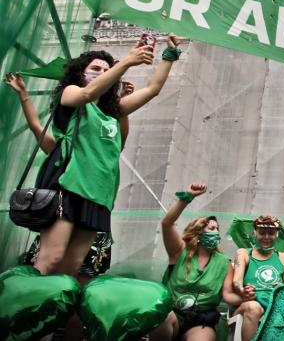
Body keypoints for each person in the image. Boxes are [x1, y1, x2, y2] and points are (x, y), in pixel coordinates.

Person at [34, 35, 179, 278]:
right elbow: (87, 94)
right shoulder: (72, 93)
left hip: (99, 194)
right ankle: (29, 312)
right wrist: (126, 63)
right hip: (68, 185)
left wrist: (169, 56)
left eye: (105, 70)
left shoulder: (112, 113)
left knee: (72, 267)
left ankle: (55, 312)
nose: (101, 72)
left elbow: (153, 89)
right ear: (80, 73)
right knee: (51, 258)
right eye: (95, 69)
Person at [6, 72, 116, 287]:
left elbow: (117, 134)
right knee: (52, 258)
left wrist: (117, 104)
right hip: (66, 200)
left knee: (76, 269)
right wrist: (24, 96)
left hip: (92, 206)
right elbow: (37, 127)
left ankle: (58, 309)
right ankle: (33, 305)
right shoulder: (64, 147)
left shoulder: (101, 141)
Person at [150, 183, 234, 341]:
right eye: (211, 228)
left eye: (217, 229)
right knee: (162, 317)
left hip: (201, 320)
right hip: (172, 314)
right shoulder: (178, 252)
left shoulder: (224, 263)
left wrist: (247, 295)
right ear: (199, 232)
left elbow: (228, 296)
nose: (216, 232)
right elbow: (167, 223)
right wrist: (187, 198)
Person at [232, 215, 284, 340]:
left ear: (276, 235)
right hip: (248, 304)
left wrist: (282, 288)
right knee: (253, 307)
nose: (266, 237)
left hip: (276, 306)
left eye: (271, 233)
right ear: (254, 233)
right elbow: (236, 281)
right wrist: (244, 291)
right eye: (262, 233)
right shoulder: (244, 253)